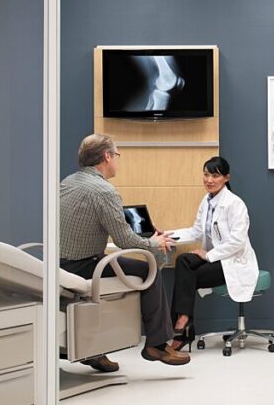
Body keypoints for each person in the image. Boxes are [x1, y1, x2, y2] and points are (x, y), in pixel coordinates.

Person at [60, 133, 190, 370]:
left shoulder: (67, 182)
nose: (117, 161)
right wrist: (155, 243)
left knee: (121, 263)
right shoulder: (104, 191)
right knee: (147, 271)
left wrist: (144, 235)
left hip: (60, 264)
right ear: (107, 156)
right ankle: (157, 345)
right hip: (86, 266)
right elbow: (123, 240)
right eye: (117, 155)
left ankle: (93, 352)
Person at [168, 157, 259, 350]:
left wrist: (208, 255)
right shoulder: (207, 201)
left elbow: (237, 242)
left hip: (234, 261)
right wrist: (167, 235)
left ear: (226, 178)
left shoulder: (235, 204)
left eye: (215, 175)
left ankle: (182, 325)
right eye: (206, 174)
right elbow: (195, 232)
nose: (209, 180)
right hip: (216, 258)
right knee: (183, 260)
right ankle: (184, 321)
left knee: (188, 275)